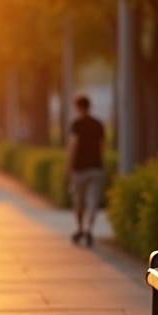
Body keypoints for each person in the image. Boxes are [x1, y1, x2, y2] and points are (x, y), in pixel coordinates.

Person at [67, 95, 106, 247]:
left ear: (77, 107)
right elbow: (103, 147)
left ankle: (80, 229)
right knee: (92, 203)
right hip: (96, 168)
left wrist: (68, 167)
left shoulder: (76, 124)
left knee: (79, 202)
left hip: (79, 169)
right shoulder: (98, 124)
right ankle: (89, 229)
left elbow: (72, 146)